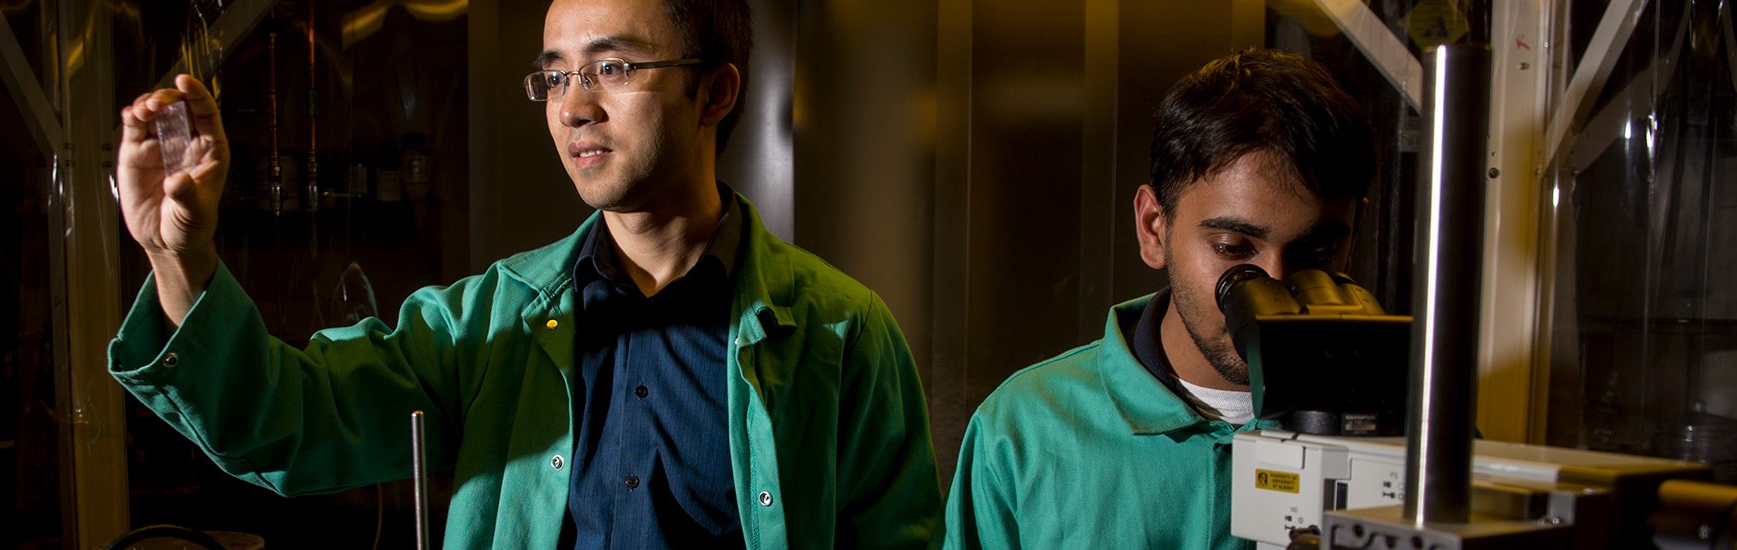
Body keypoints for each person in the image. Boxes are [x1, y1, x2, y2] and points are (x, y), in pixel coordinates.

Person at [108, 0, 941, 547]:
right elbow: (287, 421)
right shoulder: (488, 322)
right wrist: (178, 257)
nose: (573, 104)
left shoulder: (838, 333)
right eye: (554, 74)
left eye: (613, 68)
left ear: (715, 92)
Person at [941, 48, 1375, 549]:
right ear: (1153, 227)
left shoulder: (1415, 429)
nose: (1273, 284)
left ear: (1353, 235)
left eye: (1316, 251)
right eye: (1233, 248)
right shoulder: (1026, 432)